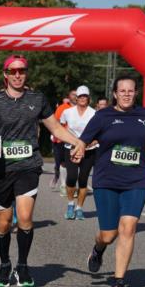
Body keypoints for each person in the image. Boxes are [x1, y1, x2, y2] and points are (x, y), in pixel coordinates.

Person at [0, 55, 86, 287]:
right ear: (5, 75)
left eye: (21, 71)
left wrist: (77, 142)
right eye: (13, 71)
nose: (17, 75)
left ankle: (22, 266)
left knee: (24, 218)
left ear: (26, 73)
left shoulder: (37, 98)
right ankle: (5, 264)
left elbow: (55, 128)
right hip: (1, 168)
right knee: (3, 223)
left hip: (28, 166)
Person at [82, 76, 145, 287]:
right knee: (108, 235)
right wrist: (78, 148)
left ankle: (119, 281)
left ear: (136, 93)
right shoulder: (103, 116)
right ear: (115, 94)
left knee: (128, 227)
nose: (127, 94)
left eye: (130, 91)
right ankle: (98, 249)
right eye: (122, 91)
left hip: (136, 178)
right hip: (107, 179)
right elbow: (85, 139)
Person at [59, 85, 98, 219]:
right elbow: (61, 127)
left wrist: (94, 142)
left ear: (88, 98)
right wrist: (64, 138)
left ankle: (79, 208)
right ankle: (70, 204)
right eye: (80, 96)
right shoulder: (67, 112)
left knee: (83, 179)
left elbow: (100, 131)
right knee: (71, 176)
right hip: (71, 148)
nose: (82, 98)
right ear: (76, 98)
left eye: (85, 96)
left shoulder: (94, 113)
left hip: (88, 149)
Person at [50, 89, 76, 190]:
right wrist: (56, 136)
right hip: (61, 140)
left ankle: (77, 183)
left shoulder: (82, 108)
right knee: (62, 162)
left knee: (75, 163)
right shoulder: (62, 108)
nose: (75, 96)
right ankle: (62, 182)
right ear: (69, 96)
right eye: (73, 94)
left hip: (76, 140)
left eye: (77, 94)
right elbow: (56, 122)